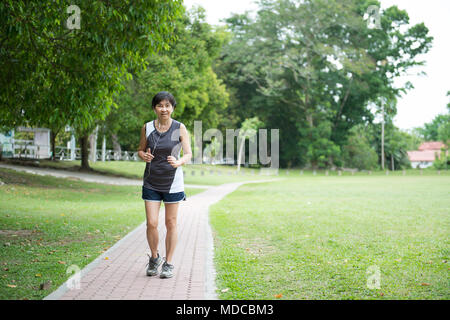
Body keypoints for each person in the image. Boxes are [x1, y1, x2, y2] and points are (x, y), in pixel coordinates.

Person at [137, 91, 192, 278]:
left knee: (171, 223)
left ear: (172, 108)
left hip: (172, 183)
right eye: (160, 105)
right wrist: (143, 155)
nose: (164, 109)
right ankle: (154, 258)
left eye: (167, 105)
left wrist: (179, 162)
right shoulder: (147, 127)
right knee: (151, 223)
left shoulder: (180, 127)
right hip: (151, 181)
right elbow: (140, 149)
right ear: (154, 108)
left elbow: (188, 153)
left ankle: (168, 263)